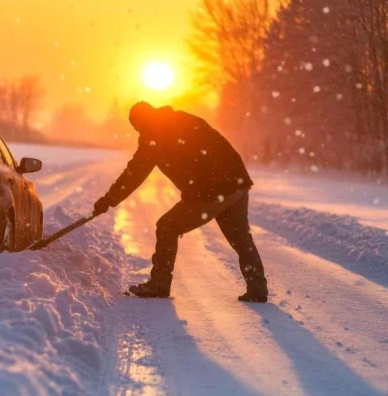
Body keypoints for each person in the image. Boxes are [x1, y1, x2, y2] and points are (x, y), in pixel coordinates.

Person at [93, 101, 268, 301]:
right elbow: (217, 144)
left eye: (137, 126)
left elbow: (133, 174)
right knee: (241, 239)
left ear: (143, 121)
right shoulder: (182, 119)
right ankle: (257, 289)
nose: (138, 132)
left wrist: (108, 201)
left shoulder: (153, 138)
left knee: (167, 226)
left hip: (212, 189)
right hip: (237, 183)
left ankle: (159, 283)